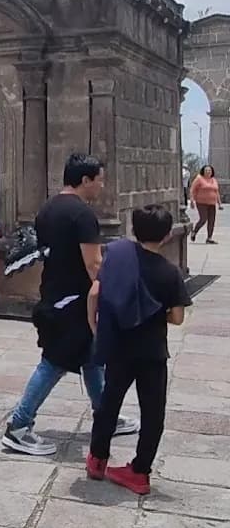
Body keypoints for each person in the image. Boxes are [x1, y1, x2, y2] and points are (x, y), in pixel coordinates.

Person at [1, 152, 139, 456]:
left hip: (54, 292)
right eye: (99, 180)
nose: (101, 186)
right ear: (85, 180)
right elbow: (93, 264)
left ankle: (107, 416)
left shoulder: (48, 208)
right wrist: (115, 293)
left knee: (91, 359)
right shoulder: (82, 215)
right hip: (73, 302)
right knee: (54, 363)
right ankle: (19, 425)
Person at [87, 205, 190, 494]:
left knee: (109, 404)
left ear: (133, 229)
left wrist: (95, 327)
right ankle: (140, 471)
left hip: (121, 347)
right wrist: (158, 313)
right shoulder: (170, 273)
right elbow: (178, 318)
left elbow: (94, 293)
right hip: (153, 352)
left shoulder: (118, 257)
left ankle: (97, 459)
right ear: (168, 235)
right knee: (153, 411)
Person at [190, 163, 222, 244]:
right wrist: (192, 200)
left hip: (212, 203)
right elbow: (192, 190)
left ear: (212, 172)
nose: (208, 172)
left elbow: (216, 191)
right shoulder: (199, 179)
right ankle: (194, 231)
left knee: (212, 220)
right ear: (203, 171)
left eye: (209, 170)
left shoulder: (214, 180)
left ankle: (209, 238)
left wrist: (219, 203)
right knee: (203, 219)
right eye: (206, 170)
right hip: (201, 202)